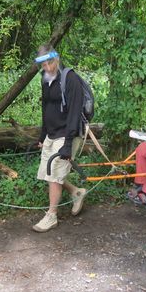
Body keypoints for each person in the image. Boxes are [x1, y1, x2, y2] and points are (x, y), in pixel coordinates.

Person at [33, 46, 87, 232]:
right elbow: (45, 106)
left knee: (55, 175)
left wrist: (68, 143)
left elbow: (74, 113)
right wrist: (42, 134)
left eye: (50, 62)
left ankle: (51, 216)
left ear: (57, 58)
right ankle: (76, 192)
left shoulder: (70, 79)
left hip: (67, 133)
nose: (47, 67)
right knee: (50, 174)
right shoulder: (45, 78)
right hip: (52, 133)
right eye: (43, 64)